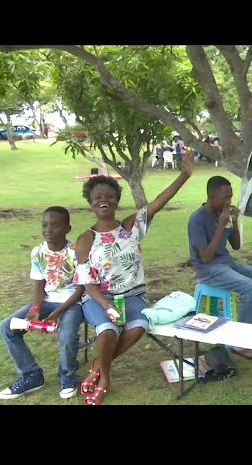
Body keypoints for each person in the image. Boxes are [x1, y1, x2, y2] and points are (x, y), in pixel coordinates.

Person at [74, 150, 195, 405]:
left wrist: (183, 176)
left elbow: (159, 202)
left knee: (140, 326)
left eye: (109, 196)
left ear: (117, 200)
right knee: (107, 331)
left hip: (132, 295)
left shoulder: (131, 227)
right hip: (99, 298)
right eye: (98, 198)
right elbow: (87, 282)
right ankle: (105, 378)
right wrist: (106, 306)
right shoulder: (85, 239)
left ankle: (98, 366)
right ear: (91, 202)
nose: (103, 200)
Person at [0, 206, 85, 400]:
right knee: (6, 327)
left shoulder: (75, 251)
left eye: (55, 225)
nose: (48, 230)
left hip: (72, 303)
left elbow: (80, 290)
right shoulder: (38, 252)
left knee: (68, 333)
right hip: (47, 301)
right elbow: (39, 286)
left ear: (67, 228)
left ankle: (67, 374)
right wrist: (36, 308)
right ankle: (31, 375)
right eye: (45, 225)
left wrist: (57, 313)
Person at [188, 175, 252, 359]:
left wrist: (234, 222)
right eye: (225, 197)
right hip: (208, 270)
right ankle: (240, 342)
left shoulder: (224, 214)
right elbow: (205, 257)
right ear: (211, 197)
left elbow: (236, 245)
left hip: (226, 263)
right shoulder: (197, 219)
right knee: (249, 287)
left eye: (230, 196)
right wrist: (221, 225)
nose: (229, 201)